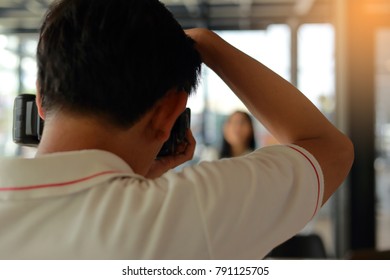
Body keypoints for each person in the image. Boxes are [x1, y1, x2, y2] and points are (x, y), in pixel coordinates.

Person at [0, 0, 353, 259]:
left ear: (41, 97)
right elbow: (331, 150)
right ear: (168, 113)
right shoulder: (183, 212)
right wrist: (208, 44)